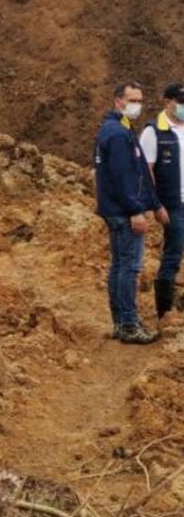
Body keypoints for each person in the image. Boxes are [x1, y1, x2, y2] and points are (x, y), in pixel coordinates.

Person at [95, 81, 167, 344]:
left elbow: (137, 174)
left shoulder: (119, 130)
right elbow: (125, 178)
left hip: (115, 208)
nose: (136, 105)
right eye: (132, 99)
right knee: (129, 267)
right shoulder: (116, 134)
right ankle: (128, 324)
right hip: (123, 211)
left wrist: (155, 204)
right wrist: (136, 210)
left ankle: (120, 322)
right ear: (118, 101)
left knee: (119, 266)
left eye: (139, 100)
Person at [140, 83, 184, 320]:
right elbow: (146, 171)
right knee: (173, 253)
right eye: (180, 101)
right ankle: (165, 314)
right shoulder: (154, 131)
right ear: (167, 101)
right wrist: (156, 205)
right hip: (173, 204)